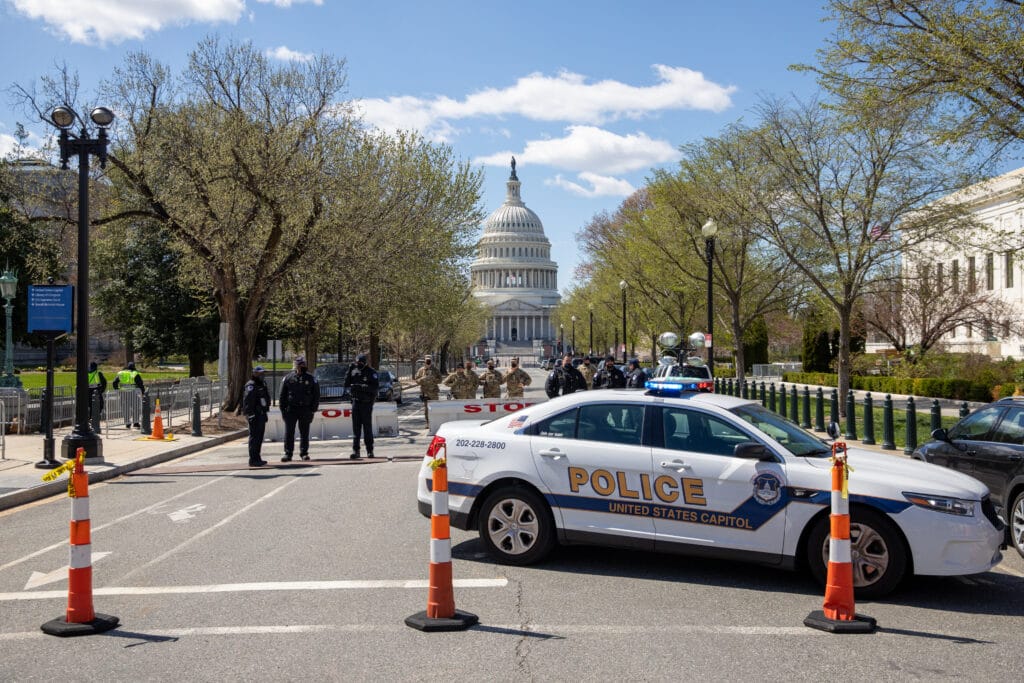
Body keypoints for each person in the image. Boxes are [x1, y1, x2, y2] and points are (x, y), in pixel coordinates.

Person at [279, 356, 319, 462]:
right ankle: (288, 454)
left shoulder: (311, 378)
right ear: (296, 366)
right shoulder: (288, 378)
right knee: (289, 432)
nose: (302, 366)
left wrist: (312, 410)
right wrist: (283, 410)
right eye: (300, 364)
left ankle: (304, 453)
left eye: (303, 364)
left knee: (304, 432)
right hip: (291, 410)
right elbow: (282, 395)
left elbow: (316, 395)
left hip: (305, 409)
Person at [344, 353, 379, 459]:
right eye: (357, 363)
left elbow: (374, 388)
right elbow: (346, 384)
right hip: (356, 402)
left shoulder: (371, 372)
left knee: (367, 428)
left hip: (366, 403)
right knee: (356, 428)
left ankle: (369, 450)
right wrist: (349, 371)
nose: (359, 364)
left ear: (365, 362)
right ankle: (356, 450)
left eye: (361, 363)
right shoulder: (354, 372)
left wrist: (362, 387)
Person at [241, 366, 271, 466]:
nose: (262, 375)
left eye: (263, 373)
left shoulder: (262, 384)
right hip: (255, 415)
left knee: (259, 437)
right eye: (260, 373)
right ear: (254, 374)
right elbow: (248, 401)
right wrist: (250, 414)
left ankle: (257, 458)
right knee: (254, 437)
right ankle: (253, 459)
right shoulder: (251, 385)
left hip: (262, 414)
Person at [112, 360, 145, 429]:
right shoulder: (135, 373)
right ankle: (136, 423)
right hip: (133, 393)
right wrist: (143, 392)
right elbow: (140, 384)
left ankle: (127, 423)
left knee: (125, 408)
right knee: (135, 408)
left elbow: (114, 382)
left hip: (123, 394)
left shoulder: (121, 373)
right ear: (134, 367)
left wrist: (117, 390)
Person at [413, 354, 442, 428]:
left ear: (431, 361)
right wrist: (423, 379)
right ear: (425, 361)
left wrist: (433, 379)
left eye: (429, 360)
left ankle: (436, 422)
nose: (428, 361)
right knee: (427, 409)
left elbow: (440, 380)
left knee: (435, 408)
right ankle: (428, 423)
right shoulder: (421, 370)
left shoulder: (435, 370)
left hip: (434, 392)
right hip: (425, 392)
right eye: (427, 360)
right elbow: (416, 380)